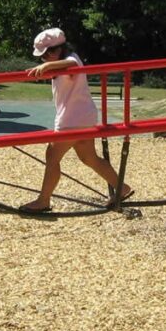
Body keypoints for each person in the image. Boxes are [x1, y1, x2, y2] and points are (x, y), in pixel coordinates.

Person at [19, 28, 132, 212]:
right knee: (89, 158)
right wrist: (48, 66)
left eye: (45, 56)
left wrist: (47, 67)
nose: (44, 60)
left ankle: (43, 200)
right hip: (83, 116)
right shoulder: (62, 64)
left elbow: (72, 65)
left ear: (56, 50)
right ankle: (122, 188)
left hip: (72, 119)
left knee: (52, 155)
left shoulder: (72, 60)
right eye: (42, 58)